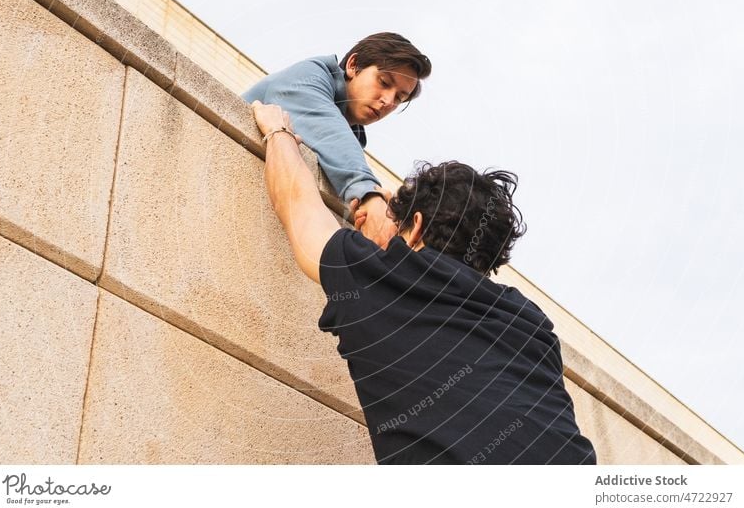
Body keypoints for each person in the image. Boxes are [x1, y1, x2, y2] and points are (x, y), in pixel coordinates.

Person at [250, 101, 597, 465]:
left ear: (415, 226)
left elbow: (297, 204)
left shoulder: (389, 278)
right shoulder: (532, 321)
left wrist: (278, 130)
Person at [242, 32, 431, 248]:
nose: (388, 101)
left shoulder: (353, 141)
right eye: (384, 82)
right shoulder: (309, 76)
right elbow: (328, 131)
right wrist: (369, 195)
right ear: (353, 65)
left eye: (399, 98)